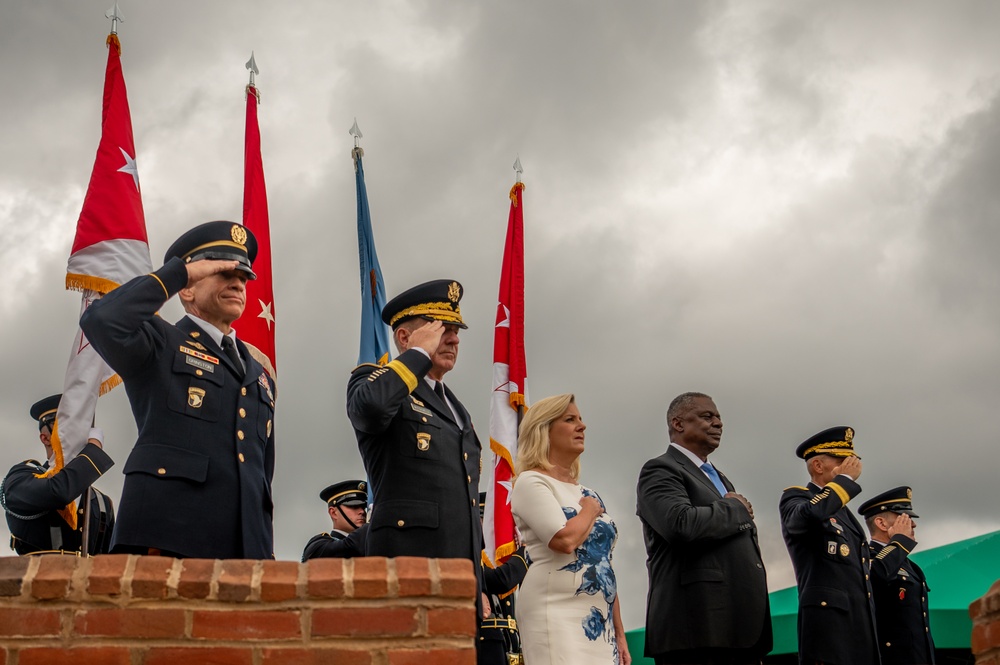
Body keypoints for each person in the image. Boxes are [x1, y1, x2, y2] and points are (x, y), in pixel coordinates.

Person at [80, 221, 276, 559]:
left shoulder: (259, 373)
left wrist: (263, 547)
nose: (238, 283)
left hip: (245, 551)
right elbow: (101, 320)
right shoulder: (162, 340)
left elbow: (261, 473)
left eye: (243, 277)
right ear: (188, 288)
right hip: (168, 537)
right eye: (222, 272)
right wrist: (177, 275)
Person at [346, 279, 482, 564]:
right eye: (441, 330)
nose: (454, 340)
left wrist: (477, 585)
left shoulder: (458, 410)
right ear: (405, 338)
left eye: (456, 332)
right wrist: (417, 355)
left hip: (459, 571)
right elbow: (371, 408)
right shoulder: (376, 382)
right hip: (407, 566)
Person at [636, 392, 771, 665]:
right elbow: (680, 524)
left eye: (719, 417)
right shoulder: (660, 469)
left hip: (736, 628)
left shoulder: (720, 478)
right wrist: (736, 509)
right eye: (707, 416)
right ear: (678, 423)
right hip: (696, 628)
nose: (718, 423)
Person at [510, 393, 630, 665]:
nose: (582, 426)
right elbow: (563, 540)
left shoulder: (587, 492)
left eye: (581, 419)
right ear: (545, 431)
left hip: (601, 622)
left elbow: (604, 565)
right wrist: (589, 510)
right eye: (570, 420)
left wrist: (619, 633)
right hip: (554, 613)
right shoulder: (531, 482)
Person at [779, 426, 879, 665]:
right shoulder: (796, 498)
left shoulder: (842, 511)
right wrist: (844, 481)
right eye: (841, 460)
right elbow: (808, 517)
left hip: (857, 627)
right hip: (829, 630)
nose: (850, 465)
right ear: (818, 466)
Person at [1, 394, 115, 555]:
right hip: (36, 578)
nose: (75, 432)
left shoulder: (102, 502)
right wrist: (94, 449)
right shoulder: (20, 477)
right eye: (64, 426)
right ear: (45, 438)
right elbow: (58, 491)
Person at [859, 486, 934, 665]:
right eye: (904, 518)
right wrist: (899, 543)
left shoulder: (910, 566)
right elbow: (873, 580)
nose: (913, 524)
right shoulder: (865, 558)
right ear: (882, 523)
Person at [479, 492, 529, 665]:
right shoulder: (471, 556)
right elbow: (501, 580)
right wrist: (525, 551)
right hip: (486, 648)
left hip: (511, 647)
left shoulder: (506, 558)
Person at [301, 479, 369, 561]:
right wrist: (375, 521)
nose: (362, 512)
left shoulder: (368, 544)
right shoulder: (318, 545)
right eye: (354, 506)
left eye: (363, 507)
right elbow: (348, 547)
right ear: (333, 513)